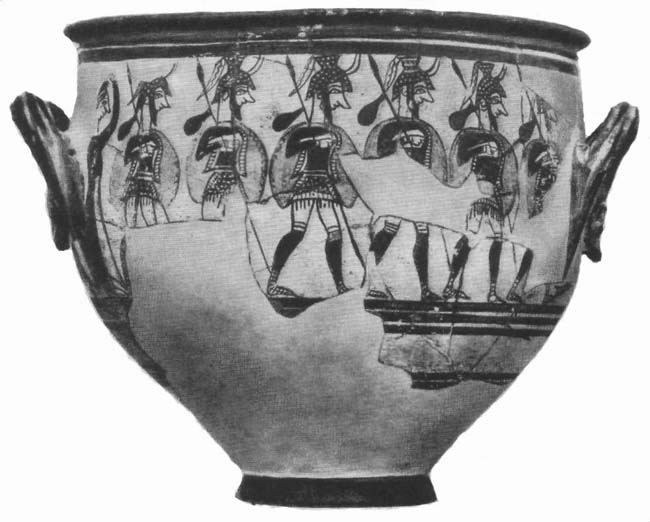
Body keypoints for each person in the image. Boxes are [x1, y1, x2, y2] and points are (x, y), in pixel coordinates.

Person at [267, 54, 361, 297]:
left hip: (327, 188)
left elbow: (342, 163)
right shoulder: (303, 130)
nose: (340, 99)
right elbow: (290, 149)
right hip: (306, 186)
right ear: (323, 94)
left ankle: (339, 284)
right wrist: (315, 139)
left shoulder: (334, 132)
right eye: (336, 92)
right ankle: (273, 279)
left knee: (335, 233)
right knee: (298, 231)